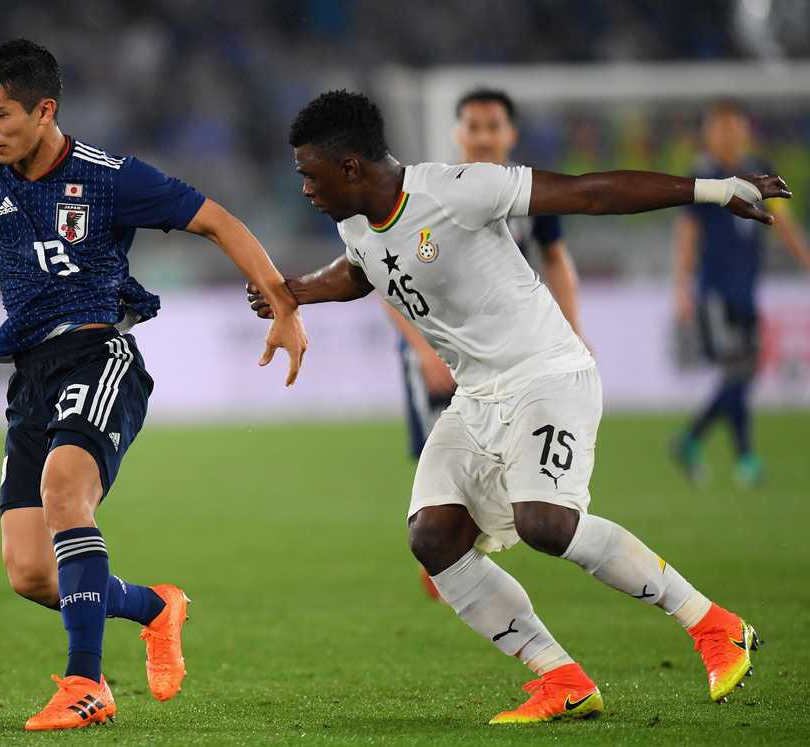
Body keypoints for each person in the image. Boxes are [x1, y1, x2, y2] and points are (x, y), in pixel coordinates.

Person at [248, 90, 786, 724]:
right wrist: (298, 291)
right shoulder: (354, 221)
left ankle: (713, 625)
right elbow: (366, 269)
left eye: (309, 175)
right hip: (477, 395)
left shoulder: (457, 191)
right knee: (433, 536)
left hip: (546, 376)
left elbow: (589, 194)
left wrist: (715, 190)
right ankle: (561, 677)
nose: (305, 189)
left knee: (546, 523)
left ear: (350, 168)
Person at [0, 39, 308, 731]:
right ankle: (157, 608)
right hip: (31, 375)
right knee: (32, 573)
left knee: (66, 491)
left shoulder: (107, 178)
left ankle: (86, 684)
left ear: (44, 110)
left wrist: (282, 303)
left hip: (99, 355)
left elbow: (217, 220)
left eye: (0, 114)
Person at [390, 88, 584, 601]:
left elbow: (557, 260)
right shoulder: (430, 195)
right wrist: (422, 350)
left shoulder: (527, 192)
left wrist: (573, 332)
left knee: (503, 452)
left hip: (510, 357)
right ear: (458, 134)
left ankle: (463, 554)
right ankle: (451, 551)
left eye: (492, 127)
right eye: (472, 127)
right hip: (442, 351)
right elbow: (386, 279)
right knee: (444, 461)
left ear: (510, 134)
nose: (482, 137)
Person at [672, 100, 810, 487]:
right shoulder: (702, 175)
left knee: (743, 376)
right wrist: (681, 287)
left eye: (734, 127)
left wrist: (805, 259)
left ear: (746, 130)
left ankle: (692, 439)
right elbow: (687, 233)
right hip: (714, 292)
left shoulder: (760, 171)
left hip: (747, 291)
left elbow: (785, 223)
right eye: (720, 128)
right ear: (709, 133)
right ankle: (744, 458)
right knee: (738, 370)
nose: (728, 135)